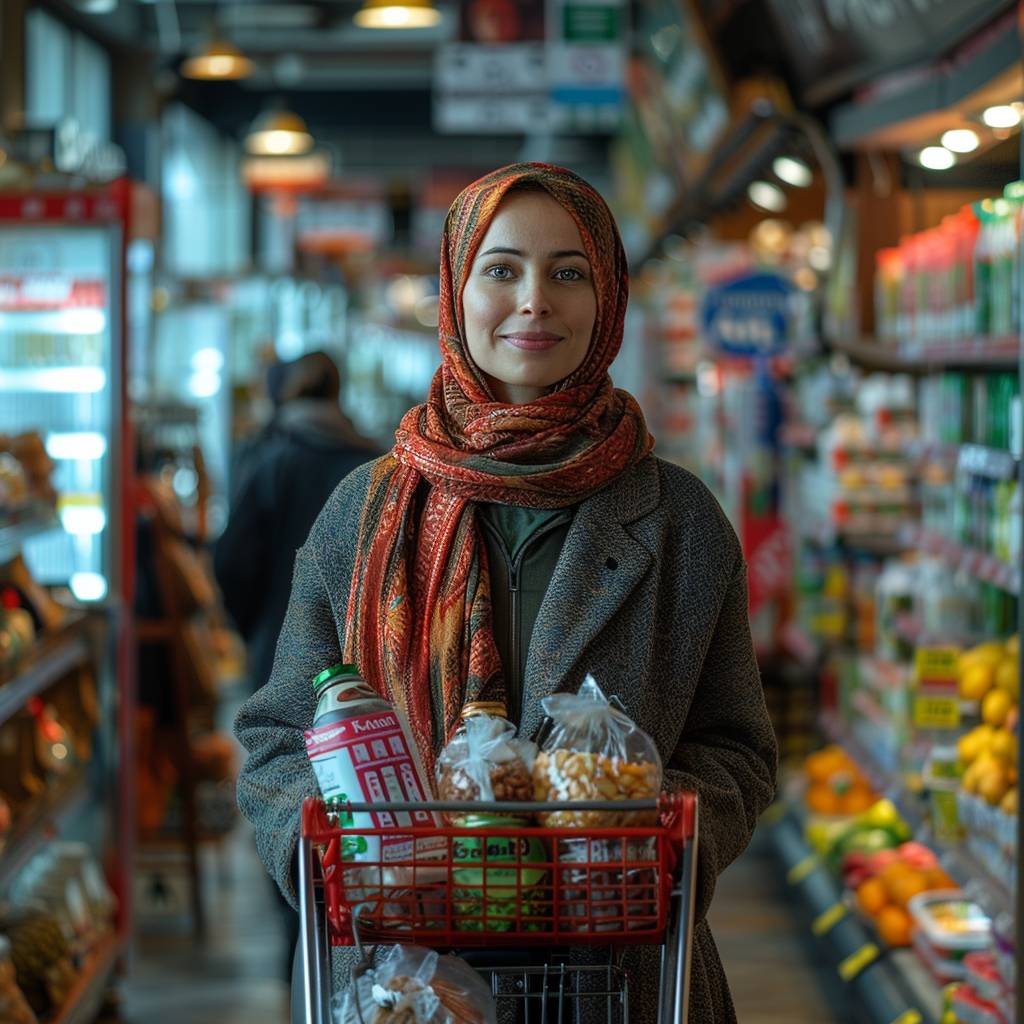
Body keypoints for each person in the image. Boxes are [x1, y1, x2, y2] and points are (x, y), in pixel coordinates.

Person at [234, 164, 777, 1024]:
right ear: (456, 290)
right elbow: (275, 733)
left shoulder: (680, 522)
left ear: (607, 299)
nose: (535, 301)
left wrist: (639, 843)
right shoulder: (367, 512)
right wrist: (344, 854)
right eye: (502, 269)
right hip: (402, 981)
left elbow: (738, 750)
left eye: (568, 272)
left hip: (622, 975)